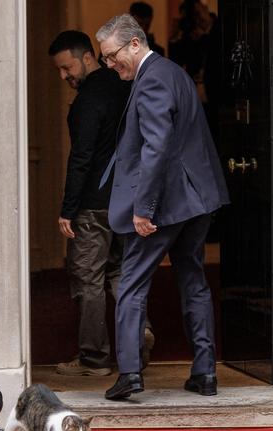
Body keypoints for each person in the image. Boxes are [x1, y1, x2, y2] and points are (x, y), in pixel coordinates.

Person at [96, 15, 229, 400]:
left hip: (166, 204)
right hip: (197, 200)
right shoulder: (175, 73)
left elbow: (156, 146)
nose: (109, 64)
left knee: (132, 284)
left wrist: (144, 208)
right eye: (105, 58)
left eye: (112, 55)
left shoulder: (151, 78)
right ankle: (205, 373)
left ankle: (130, 374)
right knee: (193, 280)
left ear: (135, 44)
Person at [48, 31, 155, 377]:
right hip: (127, 198)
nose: (65, 76)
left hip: (93, 204)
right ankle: (138, 339)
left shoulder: (87, 100)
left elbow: (81, 157)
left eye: (67, 67)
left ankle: (94, 359)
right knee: (121, 273)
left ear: (87, 57)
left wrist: (68, 208)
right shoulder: (125, 85)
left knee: (87, 278)